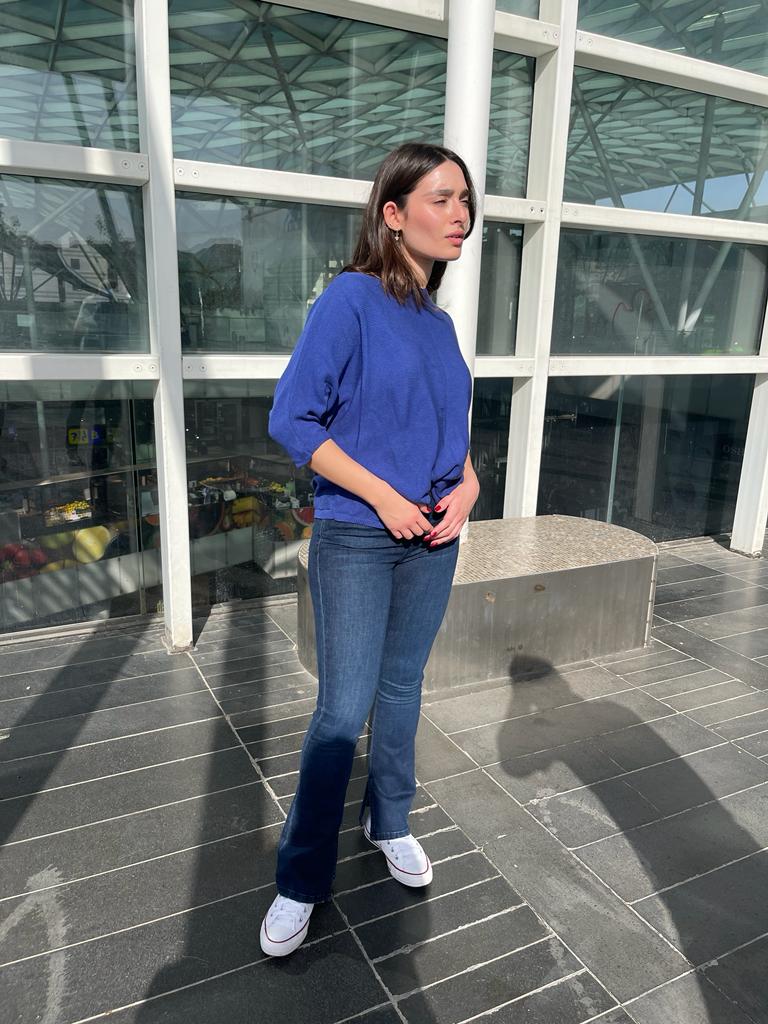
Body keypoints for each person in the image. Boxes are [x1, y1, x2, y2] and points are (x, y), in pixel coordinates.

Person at [261, 142, 481, 956]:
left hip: (433, 539)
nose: (460, 216)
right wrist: (384, 496)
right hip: (358, 535)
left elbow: (444, 426)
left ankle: (389, 820)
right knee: (342, 710)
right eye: (442, 198)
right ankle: (300, 878)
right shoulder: (350, 300)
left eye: (466, 201)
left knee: (402, 689)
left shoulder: (440, 324)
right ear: (393, 213)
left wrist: (470, 485)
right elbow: (293, 419)